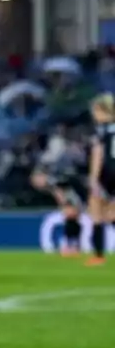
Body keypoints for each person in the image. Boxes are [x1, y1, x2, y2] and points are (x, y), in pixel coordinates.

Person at [30, 129, 87, 257]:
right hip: (68, 187)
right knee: (70, 215)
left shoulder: (67, 157)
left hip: (77, 187)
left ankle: (74, 245)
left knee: (72, 215)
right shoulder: (49, 161)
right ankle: (72, 245)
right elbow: (39, 179)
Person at [86, 94, 115, 267]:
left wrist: (93, 178)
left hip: (107, 173)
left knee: (97, 213)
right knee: (112, 215)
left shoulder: (101, 130)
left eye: (95, 110)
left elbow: (98, 154)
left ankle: (98, 256)